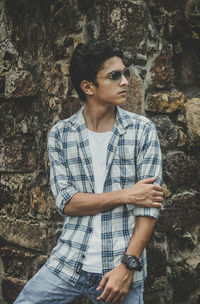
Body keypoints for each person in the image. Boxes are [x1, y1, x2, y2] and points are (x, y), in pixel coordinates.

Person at [14, 40, 163, 304]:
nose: (125, 81)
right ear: (88, 87)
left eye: (125, 73)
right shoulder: (61, 134)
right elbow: (68, 203)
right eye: (114, 76)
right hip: (68, 263)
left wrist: (128, 267)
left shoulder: (142, 130)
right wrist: (128, 194)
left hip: (118, 270)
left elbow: (148, 208)